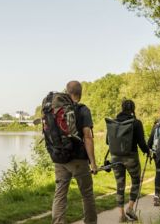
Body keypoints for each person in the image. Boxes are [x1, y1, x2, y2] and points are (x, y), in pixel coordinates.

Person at [51, 80, 98, 224]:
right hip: (78, 159)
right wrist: (93, 163)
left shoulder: (55, 109)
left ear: (66, 91)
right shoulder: (83, 109)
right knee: (87, 194)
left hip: (59, 157)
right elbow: (88, 137)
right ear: (80, 93)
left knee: (60, 194)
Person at [109, 100, 150, 221]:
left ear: (122, 108)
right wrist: (148, 151)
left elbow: (108, 141)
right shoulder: (136, 123)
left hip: (115, 157)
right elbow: (142, 143)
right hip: (131, 157)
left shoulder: (113, 122)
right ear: (133, 109)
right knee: (136, 181)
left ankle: (121, 215)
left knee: (120, 185)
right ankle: (130, 208)